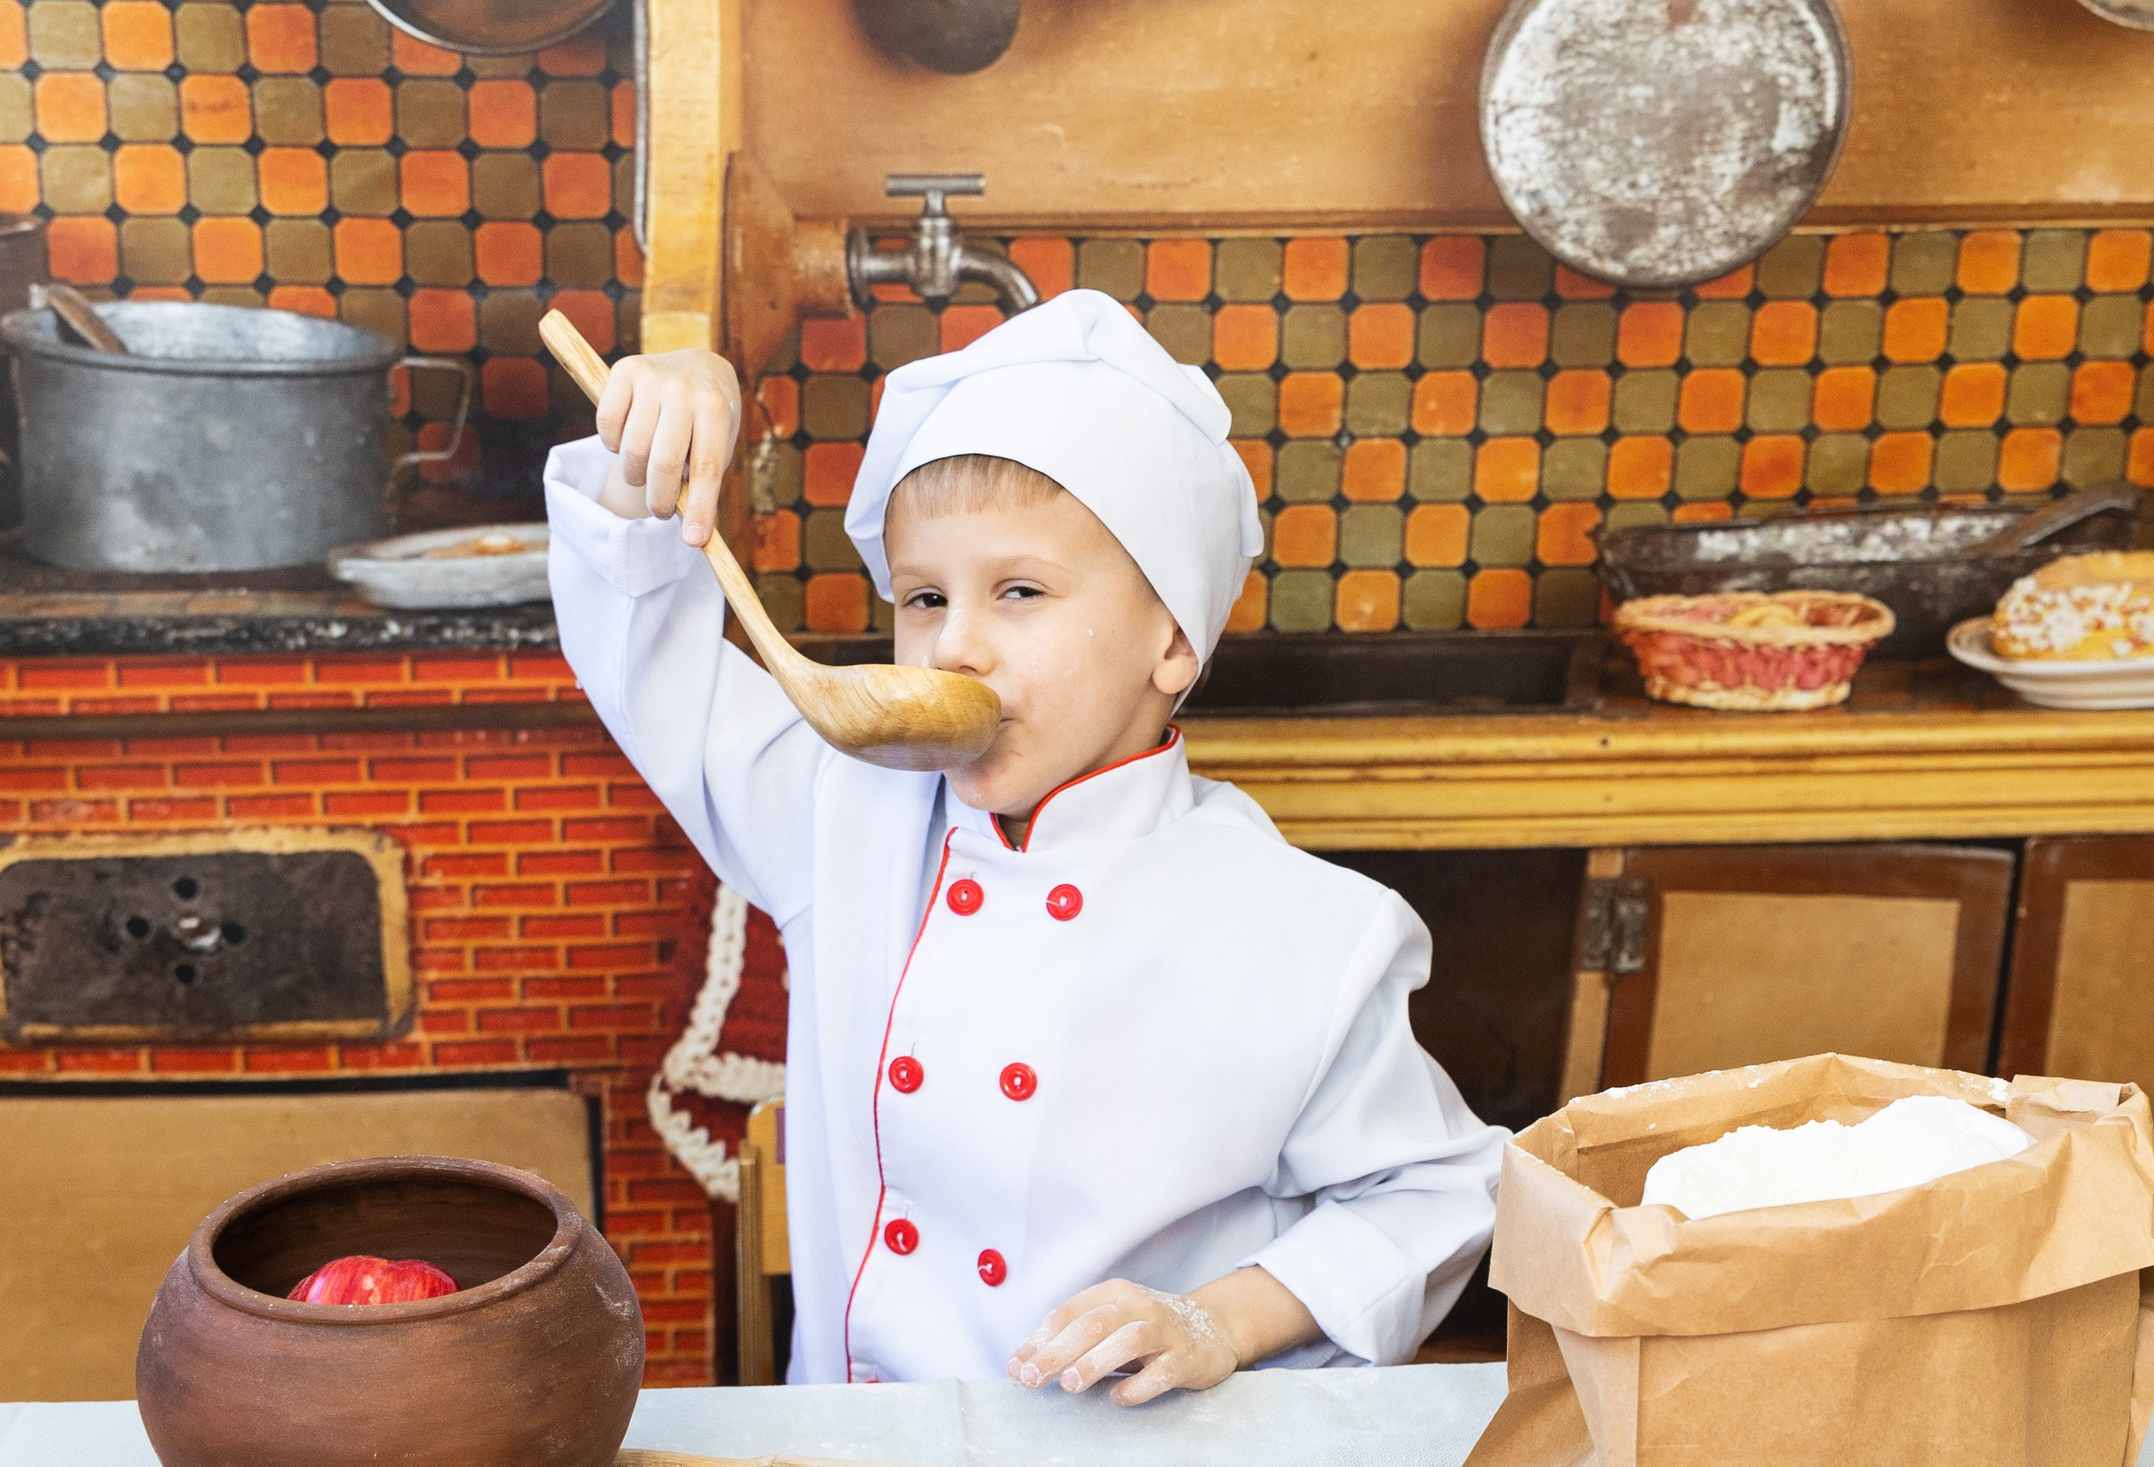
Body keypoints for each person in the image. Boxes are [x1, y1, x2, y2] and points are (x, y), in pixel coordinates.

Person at [544, 289, 1503, 1401]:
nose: (954, 644)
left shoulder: (1305, 929)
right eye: (922, 596)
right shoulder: (839, 816)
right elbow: (644, 659)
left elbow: (1439, 1195)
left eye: (1018, 592)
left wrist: (1217, 1321)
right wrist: (652, 448)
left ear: (1174, 641)